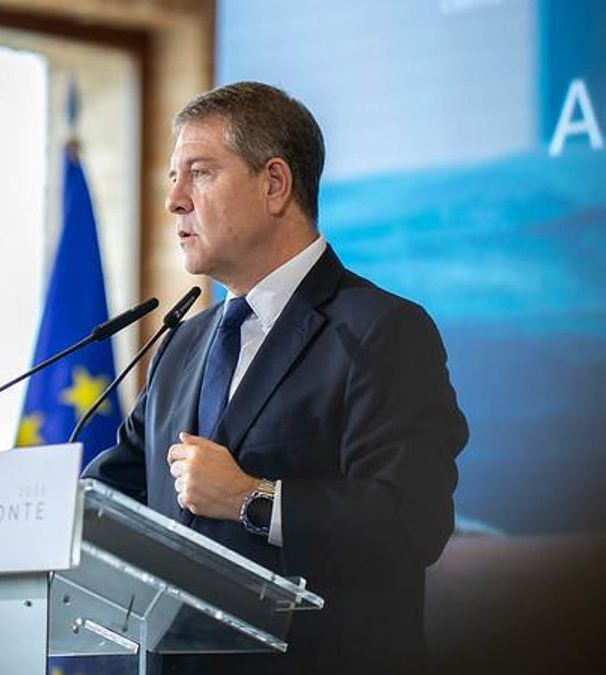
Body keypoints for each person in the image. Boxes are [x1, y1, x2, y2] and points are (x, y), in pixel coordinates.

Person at [85, 81, 468, 674]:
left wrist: (251, 498)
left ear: (274, 185)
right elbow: (107, 501)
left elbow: (412, 521)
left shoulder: (382, 331)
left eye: (201, 173)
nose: (174, 201)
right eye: (172, 176)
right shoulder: (182, 341)